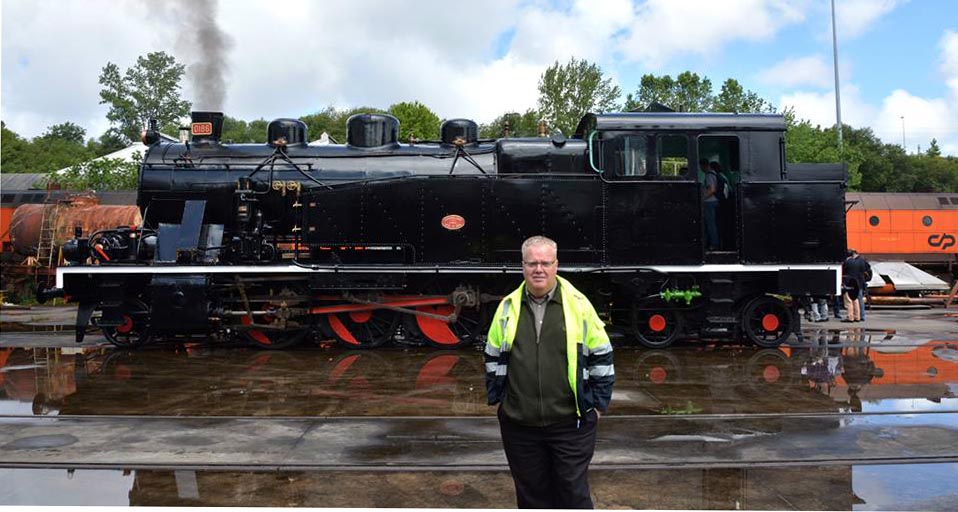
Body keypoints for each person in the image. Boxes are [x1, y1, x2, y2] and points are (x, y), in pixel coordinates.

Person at [485, 235, 614, 509]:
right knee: (532, 498)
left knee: (573, 495)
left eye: (545, 263)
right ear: (523, 266)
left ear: (556, 265)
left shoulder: (579, 305)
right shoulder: (507, 307)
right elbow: (492, 355)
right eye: (532, 263)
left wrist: (597, 406)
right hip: (520, 426)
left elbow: (602, 355)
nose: (539, 269)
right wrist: (499, 400)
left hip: (570, 424)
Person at [842, 249, 872, 321]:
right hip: (860, 282)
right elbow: (868, 270)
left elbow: (844, 271)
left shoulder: (847, 262)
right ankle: (860, 316)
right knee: (858, 300)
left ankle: (850, 316)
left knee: (849, 300)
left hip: (849, 283)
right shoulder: (862, 261)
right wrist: (867, 279)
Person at [698, 159, 720, 250]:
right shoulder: (713, 174)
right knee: (709, 224)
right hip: (712, 201)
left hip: (710, 202)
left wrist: (702, 199)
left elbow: (712, 189)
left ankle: (714, 244)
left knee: (711, 224)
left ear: (703, 166)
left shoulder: (709, 175)